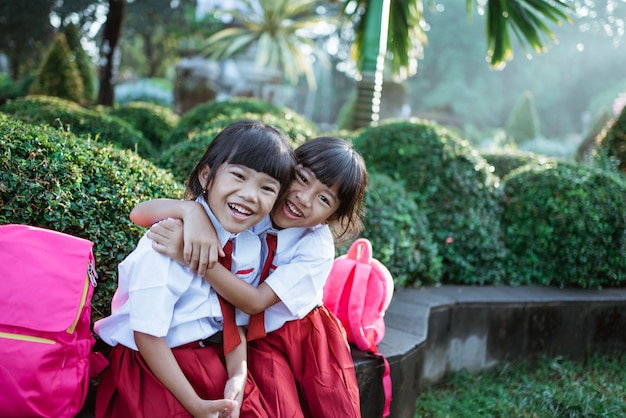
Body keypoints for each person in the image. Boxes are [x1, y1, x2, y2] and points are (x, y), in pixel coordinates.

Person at [131, 136, 368, 418]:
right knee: (266, 404)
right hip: (245, 333)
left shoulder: (315, 246)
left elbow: (254, 302)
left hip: (295, 332)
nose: (303, 199)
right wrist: (190, 209)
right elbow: (140, 213)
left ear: (330, 216)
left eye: (323, 198)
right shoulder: (253, 207)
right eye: (302, 179)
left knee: (328, 406)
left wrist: (191, 255)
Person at [93, 120, 297, 418]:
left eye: (267, 188)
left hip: (214, 357)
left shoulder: (248, 245)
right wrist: (195, 405)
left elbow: (233, 323)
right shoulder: (168, 240)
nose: (250, 195)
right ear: (206, 176)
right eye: (239, 176)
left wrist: (238, 380)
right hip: (153, 366)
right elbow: (147, 335)